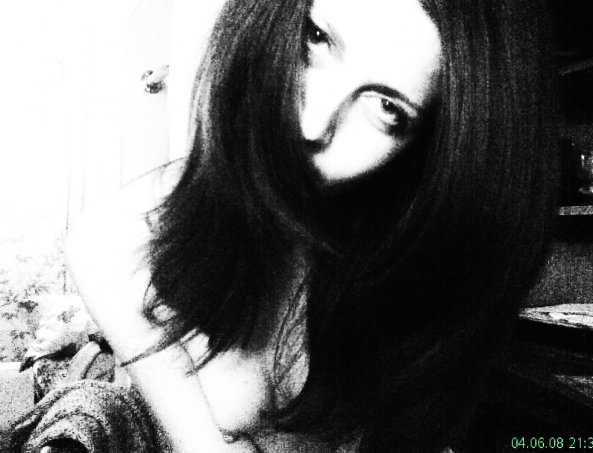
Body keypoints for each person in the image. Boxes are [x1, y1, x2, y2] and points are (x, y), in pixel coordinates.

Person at [66, 0, 558, 451]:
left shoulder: (417, 268)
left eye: (387, 107)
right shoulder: (112, 246)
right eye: (316, 39)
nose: (311, 124)